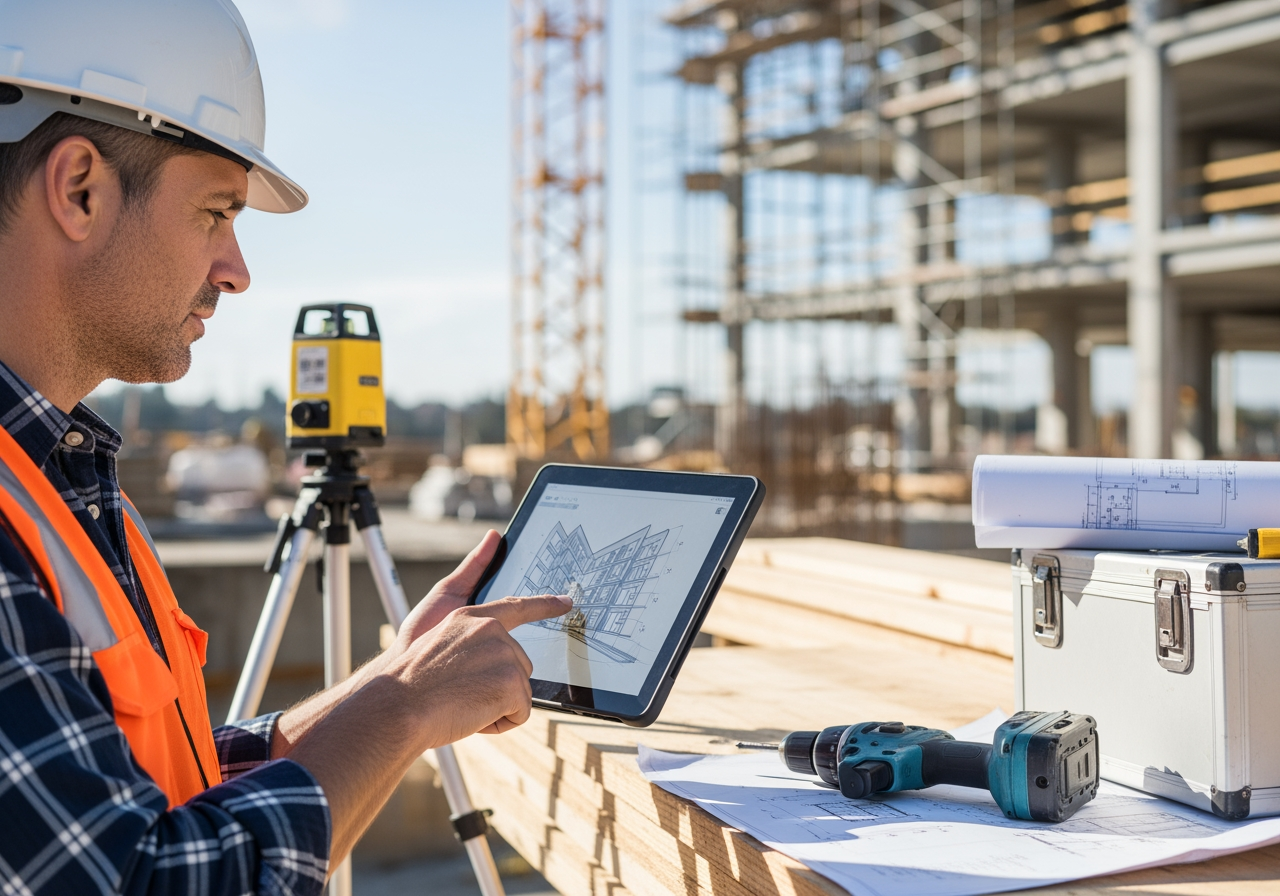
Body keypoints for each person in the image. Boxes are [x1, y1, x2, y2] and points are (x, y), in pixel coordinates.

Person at [0, 2, 569, 894]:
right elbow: (140, 879)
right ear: (80, 189)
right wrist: (404, 706)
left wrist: (387, 683)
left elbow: (141, 797)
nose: (236, 267)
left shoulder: (54, 471)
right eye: (214, 212)